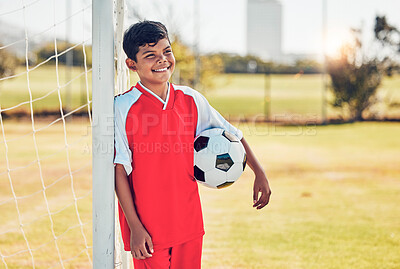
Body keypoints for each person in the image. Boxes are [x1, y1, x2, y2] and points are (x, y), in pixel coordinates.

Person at [114, 20, 271, 269]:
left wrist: (259, 172)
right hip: (148, 230)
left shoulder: (191, 100)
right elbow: (119, 170)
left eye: (166, 51)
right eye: (150, 55)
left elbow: (232, 134)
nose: (162, 59)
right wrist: (135, 227)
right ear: (131, 64)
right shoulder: (122, 108)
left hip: (188, 222)